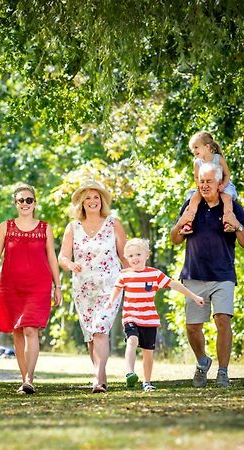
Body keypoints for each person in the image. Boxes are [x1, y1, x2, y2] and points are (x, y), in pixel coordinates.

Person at [0, 184, 62, 394]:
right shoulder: (5, 227)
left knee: (30, 329)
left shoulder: (45, 228)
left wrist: (57, 286)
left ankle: (29, 379)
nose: (25, 204)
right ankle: (23, 378)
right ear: (15, 204)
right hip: (11, 286)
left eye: (29, 200)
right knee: (17, 331)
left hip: (39, 285)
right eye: (20, 200)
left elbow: (52, 258)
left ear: (35, 203)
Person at [170, 162, 244, 388]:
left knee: (223, 320)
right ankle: (202, 361)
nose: (204, 185)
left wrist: (238, 226)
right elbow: (175, 238)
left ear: (220, 184)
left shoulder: (233, 207)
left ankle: (223, 372)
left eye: (209, 181)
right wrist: (180, 225)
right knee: (193, 327)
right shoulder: (191, 206)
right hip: (194, 274)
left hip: (223, 275)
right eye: (201, 181)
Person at [108, 238, 205, 392]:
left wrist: (194, 296)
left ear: (147, 255)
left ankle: (147, 382)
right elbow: (116, 289)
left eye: (138, 254)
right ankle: (129, 373)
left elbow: (174, 285)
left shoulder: (154, 274)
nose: (135, 258)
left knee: (148, 352)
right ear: (126, 258)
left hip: (149, 319)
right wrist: (110, 302)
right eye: (131, 255)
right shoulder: (124, 275)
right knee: (132, 341)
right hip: (130, 316)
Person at [58, 180, 128, 393]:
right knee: (90, 336)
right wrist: (69, 264)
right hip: (83, 288)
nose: (92, 201)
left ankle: (98, 379)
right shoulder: (73, 227)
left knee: (100, 329)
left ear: (101, 201)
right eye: (87, 197)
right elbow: (62, 256)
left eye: (96, 197)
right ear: (81, 202)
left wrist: (136, 279)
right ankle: (101, 377)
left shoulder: (113, 223)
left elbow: (124, 256)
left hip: (110, 286)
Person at [180, 131, 237, 234]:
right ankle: (188, 224)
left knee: (227, 199)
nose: (194, 151)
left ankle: (228, 222)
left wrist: (223, 185)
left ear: (207, 146)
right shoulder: (197, 162)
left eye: (196, 147)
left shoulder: (218, 158)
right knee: (194, 199)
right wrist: (200, 186)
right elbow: (197, 178)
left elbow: (227, 174)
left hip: (222, 184)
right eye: (192, 149)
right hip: (205, 187)